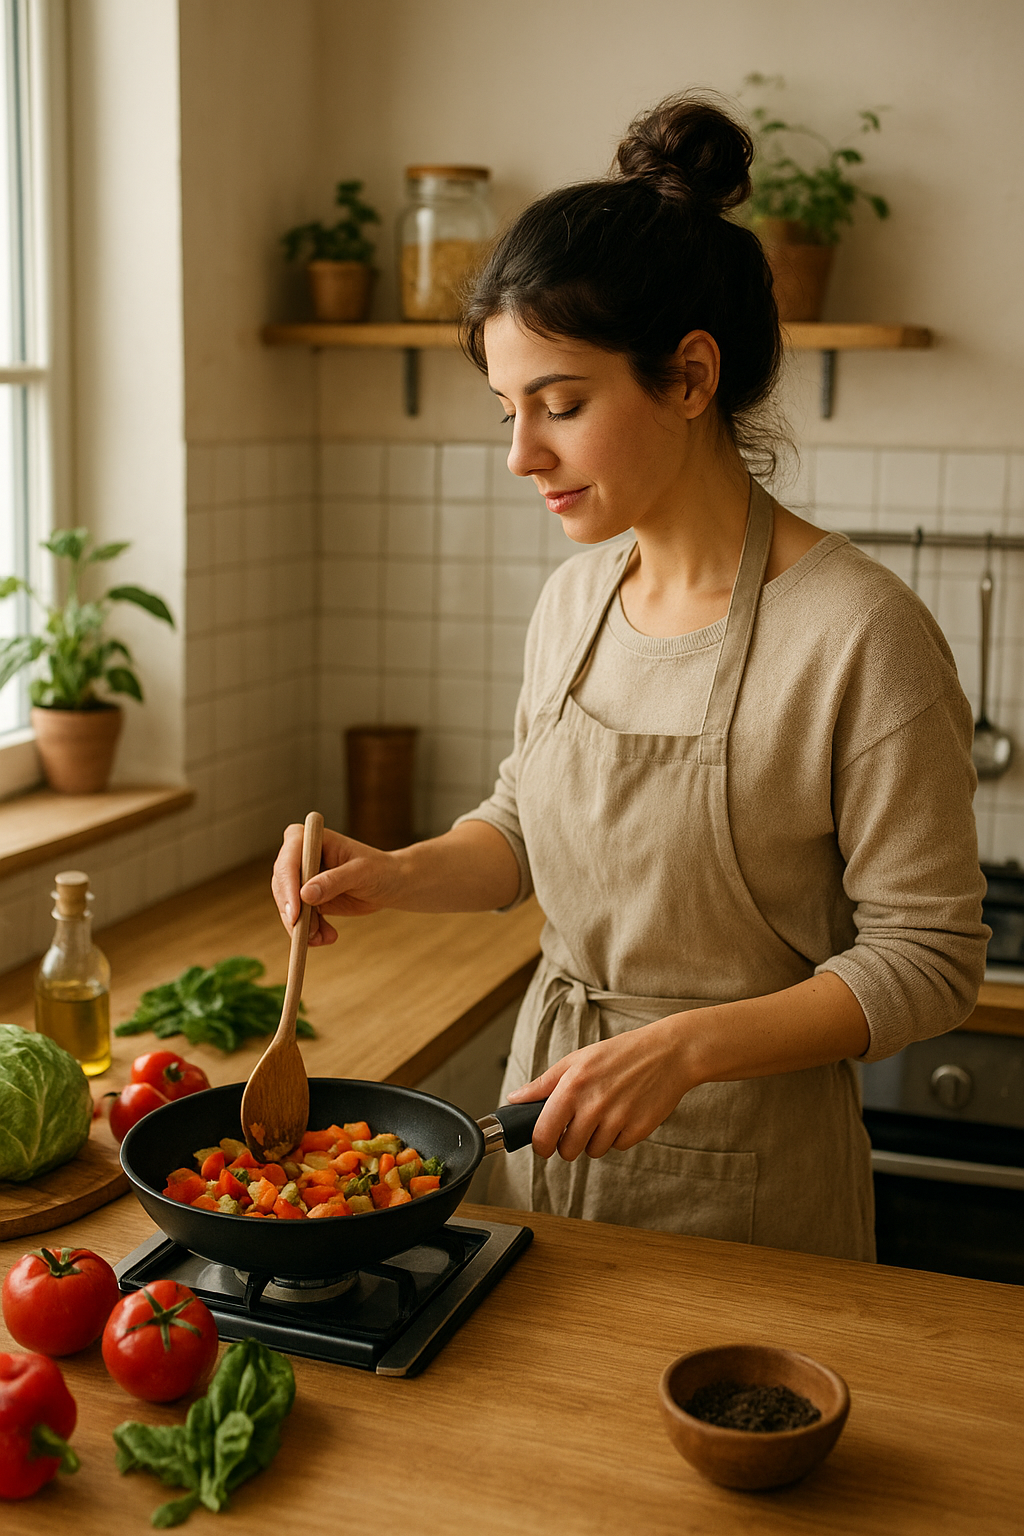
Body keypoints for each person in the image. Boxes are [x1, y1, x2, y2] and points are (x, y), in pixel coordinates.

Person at [273, 94, 987, 1261]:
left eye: (560, 405)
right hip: (542, 1142)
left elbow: (930, 960)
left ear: (690, 377)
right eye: (508, 412)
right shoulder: (575, 601)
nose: (522, 454)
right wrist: (394, 874)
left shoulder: (860, 634)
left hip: (752, 1195)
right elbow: (526, 826)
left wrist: (687, 1047)